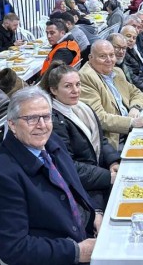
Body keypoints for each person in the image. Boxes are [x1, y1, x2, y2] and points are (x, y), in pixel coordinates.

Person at [0, 87, 100, 265]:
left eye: (46, 116)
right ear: (12, 124)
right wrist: (76, 252)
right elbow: (14, 249)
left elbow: (74, 188)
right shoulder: (0, 178)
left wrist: (95, 213)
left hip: (85, 234)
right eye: (31, 118)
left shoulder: (51, 142)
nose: (42, 125)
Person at [41, 61, 120, 209]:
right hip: (82, 189)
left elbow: (101, 140)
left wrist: (113, 161)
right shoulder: (54, 122)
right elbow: (68, 166)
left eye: (78, 84)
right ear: (53, 90)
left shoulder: (82, 108)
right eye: (68, 86)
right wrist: (107, 177)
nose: (75, 90)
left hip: (97, 173)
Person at [79, 40, 143, 150]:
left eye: (111, 55)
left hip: (131, 128)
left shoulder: (116, 71)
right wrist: (131, 122)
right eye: (102, 56)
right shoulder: (85, 77)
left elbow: (136, 93)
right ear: (90, 58)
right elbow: (98, 118)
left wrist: (135, 107)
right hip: (115, 141)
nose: (109, 60)